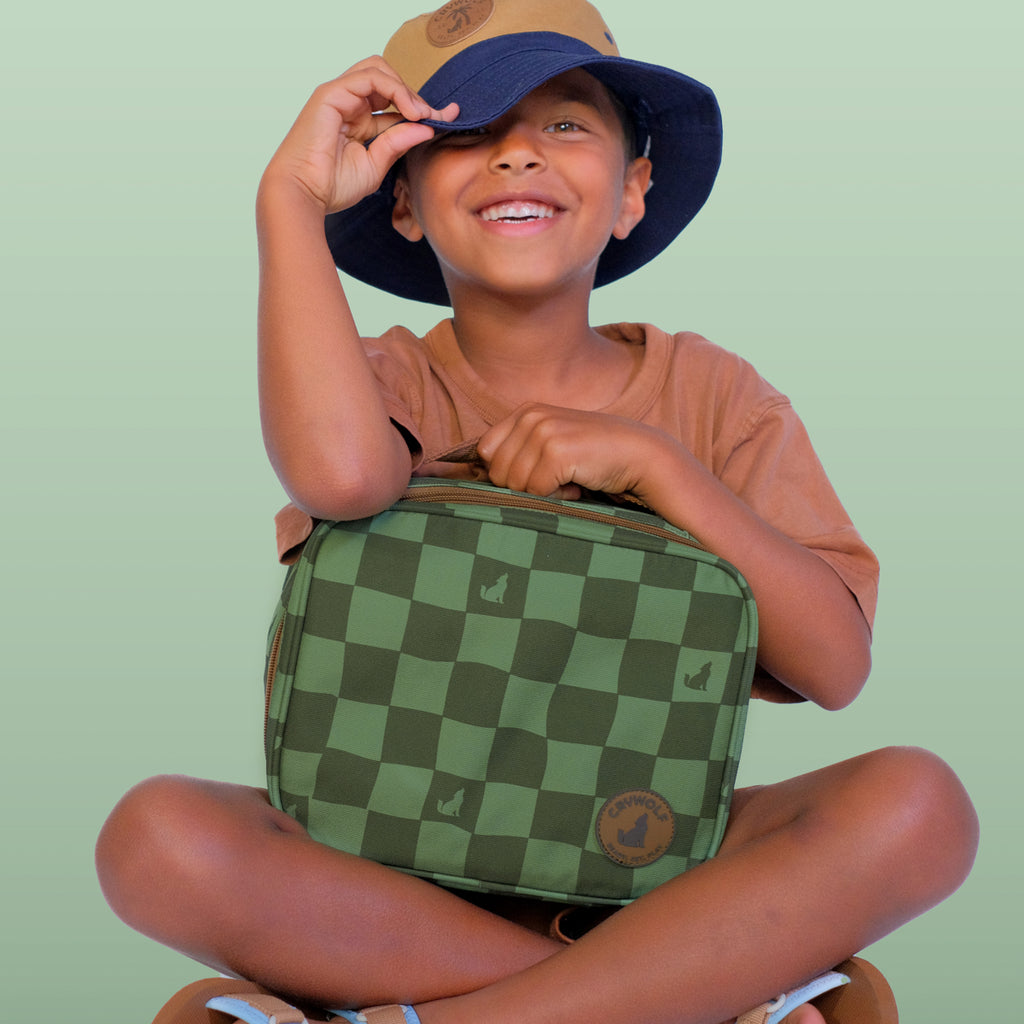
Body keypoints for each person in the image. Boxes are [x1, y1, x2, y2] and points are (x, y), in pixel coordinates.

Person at [95, 2, 979, 1022]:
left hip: (641, 858)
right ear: (403, 203)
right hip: (387, 867)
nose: (516, 156)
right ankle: (690, 988)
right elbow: (342, 478)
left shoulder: (714, 395)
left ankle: (428, 1009)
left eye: (565, 124)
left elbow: (835, 666)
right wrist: (288, 198)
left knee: (917, 804)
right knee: (154, 835)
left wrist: (657, 466)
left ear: (632, 192)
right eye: (466, 132)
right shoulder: (379, 379)